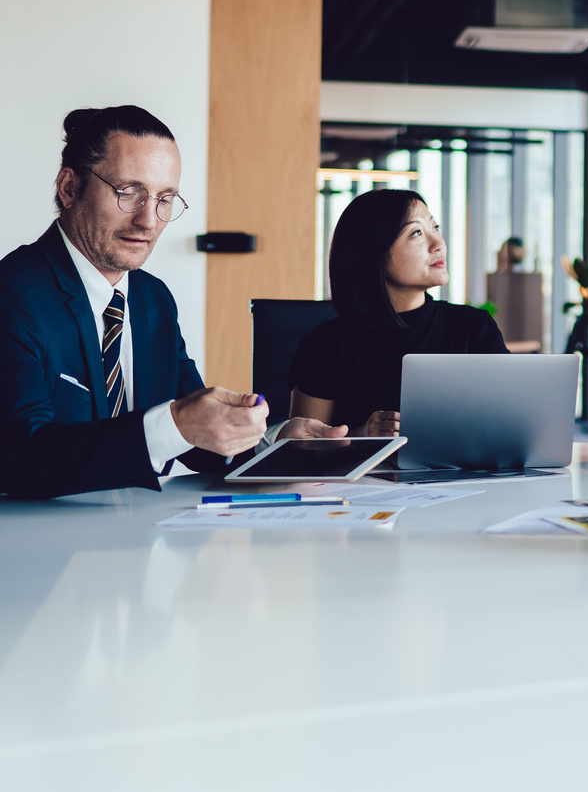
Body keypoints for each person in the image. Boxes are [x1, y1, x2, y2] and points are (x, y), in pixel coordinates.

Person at [0, 106, 341, 500]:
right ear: (69, 188)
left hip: (136, 535)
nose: (148, 220)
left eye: (165, 198)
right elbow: (21, 457)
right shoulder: (14, 294)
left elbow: (195, 435)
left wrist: (273, 442)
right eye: (129, 192)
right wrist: (175, 425)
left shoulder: (152, 298)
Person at [289, 189, 508, 435]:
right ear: (373, 253)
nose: (438, 244)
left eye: (435, 228)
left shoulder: (473, 327)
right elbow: (302, 450)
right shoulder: (327, 345)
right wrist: (362, 436)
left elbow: (512, 418)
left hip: (466, 472)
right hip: (370, 474)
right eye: (416, 233)